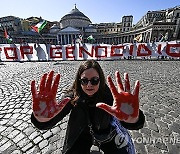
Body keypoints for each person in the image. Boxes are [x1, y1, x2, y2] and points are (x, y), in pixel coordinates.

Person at [31, 60, 145, 154]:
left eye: (94, 80)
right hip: (80, 135)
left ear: (100, 80)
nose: (89, 85)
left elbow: (128, 118)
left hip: (106, 134)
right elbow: (55, 114)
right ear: (79, 81)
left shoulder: (109, 95)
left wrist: (133, 120)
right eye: (84, 81)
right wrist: (42, 120)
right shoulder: (72, 96)